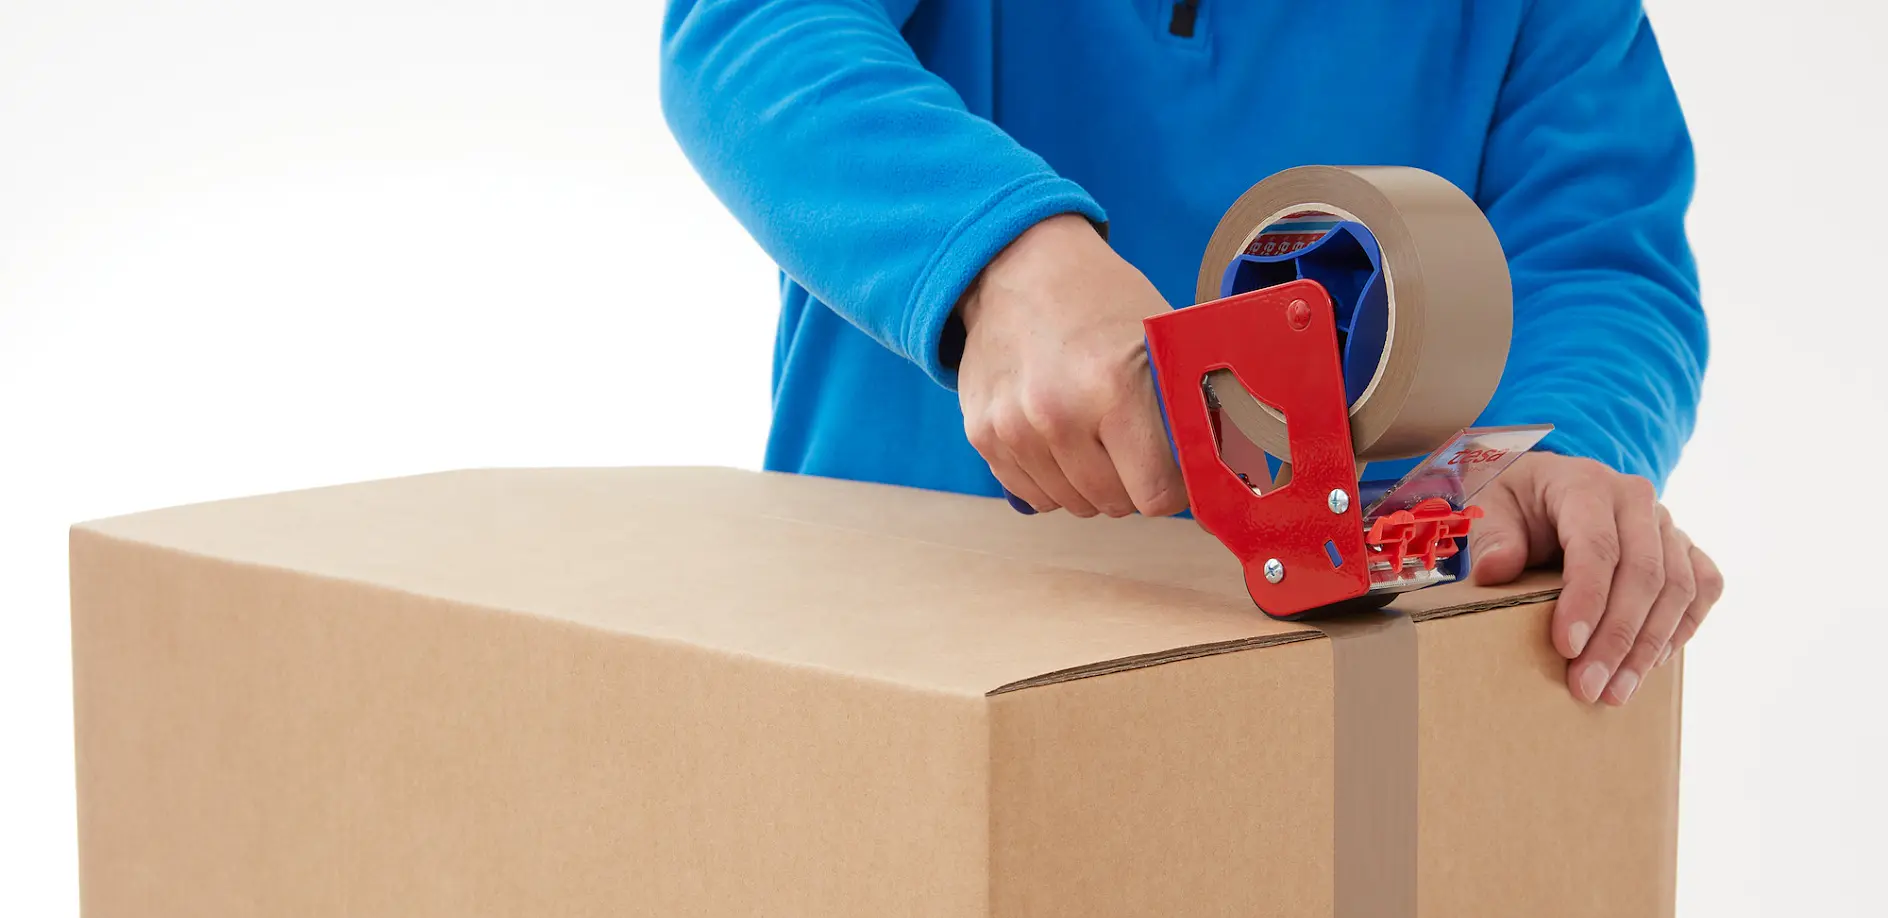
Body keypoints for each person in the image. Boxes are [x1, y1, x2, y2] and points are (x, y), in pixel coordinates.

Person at [658, 0, 1722, 706]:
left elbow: (1596, 258)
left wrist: (1525, 454)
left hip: (1338, 689)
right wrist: (1004, 258)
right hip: (890, 651)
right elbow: (759, 32)